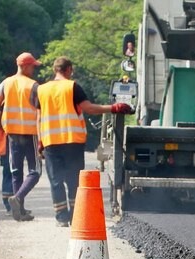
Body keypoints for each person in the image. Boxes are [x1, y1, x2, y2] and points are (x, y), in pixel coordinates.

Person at [31, 56, 133, 227]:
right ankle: (75, 216)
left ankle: (61, 217)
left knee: (55, 180)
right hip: (72, 141)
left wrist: (40, 140)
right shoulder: (73, 87)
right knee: (73, 180)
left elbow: (39, 117)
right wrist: (114, 108)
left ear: (55, 70)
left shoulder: (41, 89)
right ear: (69, 69)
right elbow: (90, 108)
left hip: (50, 141)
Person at [0, 52, 42, 222]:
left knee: (16, 171)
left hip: (11, 133)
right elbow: (41, 109)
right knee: (35, 171)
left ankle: (19, 211)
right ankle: (18, 199)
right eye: (33, 66)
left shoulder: (6, 82)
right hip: (30, 132)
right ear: (25, 66)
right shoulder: (33, 85)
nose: (34, 69)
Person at [0, 110, 14, 213]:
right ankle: (9, 205)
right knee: (10, 172)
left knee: (9, 172)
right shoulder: (5, 102)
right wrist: (7, 129)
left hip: (7, 143)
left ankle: (11, 204)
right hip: (7, 143)